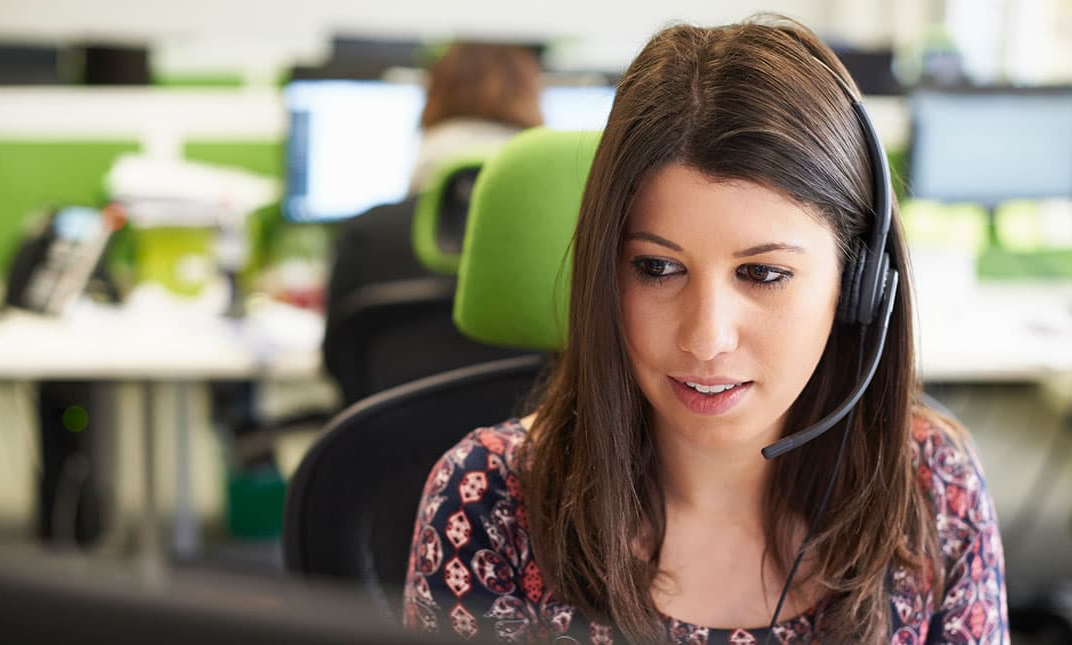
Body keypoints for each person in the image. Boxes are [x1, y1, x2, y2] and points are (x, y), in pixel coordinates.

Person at [402, 15, 1008, 644]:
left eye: (763, 273)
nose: (706, 338)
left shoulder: (931, 487)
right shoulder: (489, 499)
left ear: (858, 286)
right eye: (658, 267)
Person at [324, 42, 544, 311]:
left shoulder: (366, 235)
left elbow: (336, 350)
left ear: (432, 97)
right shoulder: (564, 234)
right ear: (532, 98)